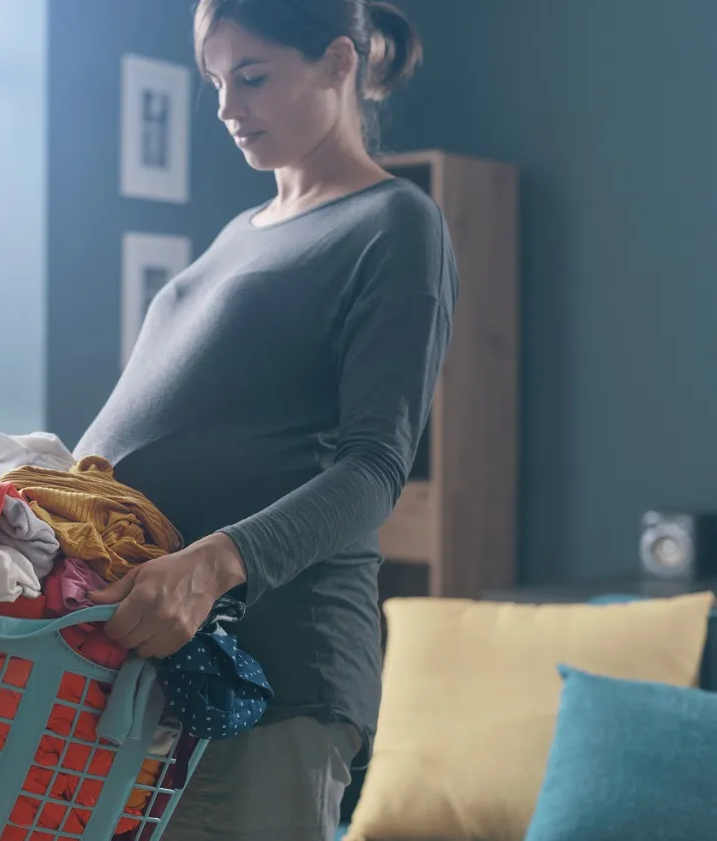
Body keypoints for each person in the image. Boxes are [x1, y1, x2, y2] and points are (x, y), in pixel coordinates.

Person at [77, 1, 457, 838]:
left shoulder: (394, 223)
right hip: (158, 665)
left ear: (338, 64)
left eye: (252, 77)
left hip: (275, 668)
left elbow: (373, 468)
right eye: (216, 80)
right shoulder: (236, 233)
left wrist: (210, 566)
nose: (226, 106)